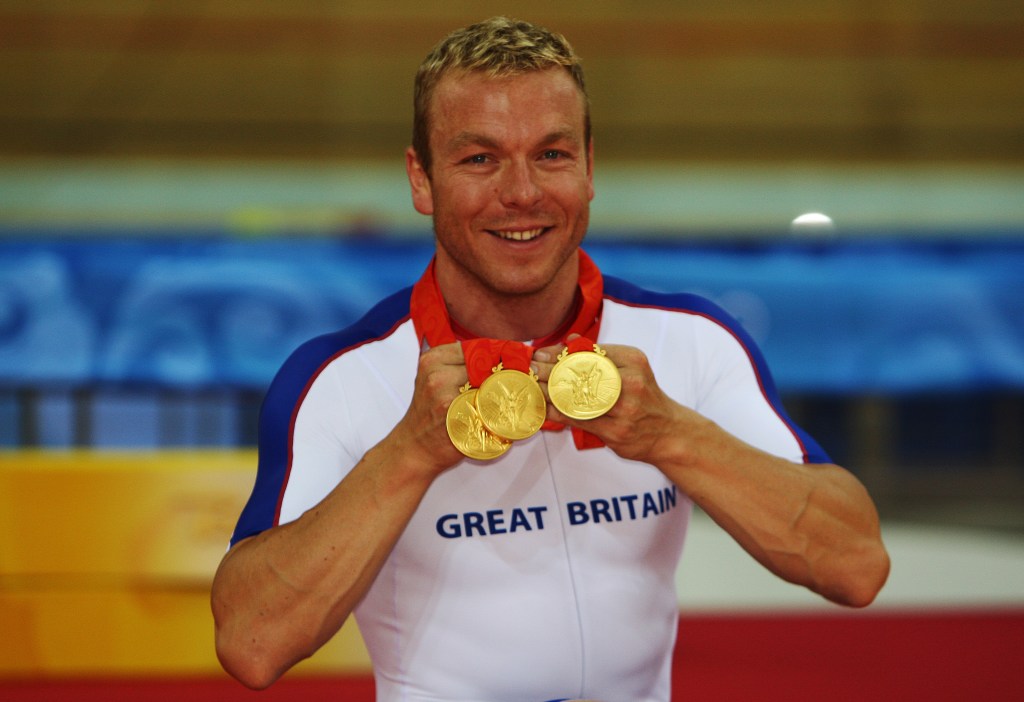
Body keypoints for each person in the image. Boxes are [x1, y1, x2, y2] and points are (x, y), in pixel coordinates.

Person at [211, 16, 889, 701]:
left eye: (552, 155)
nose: (522, 193)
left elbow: (856, 564)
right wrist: (409, 453)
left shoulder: (689, 341)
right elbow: (252, 642)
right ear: (421, 180)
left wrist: (670, 434)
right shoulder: (343, 377)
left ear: (590, 167)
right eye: (479, 158)